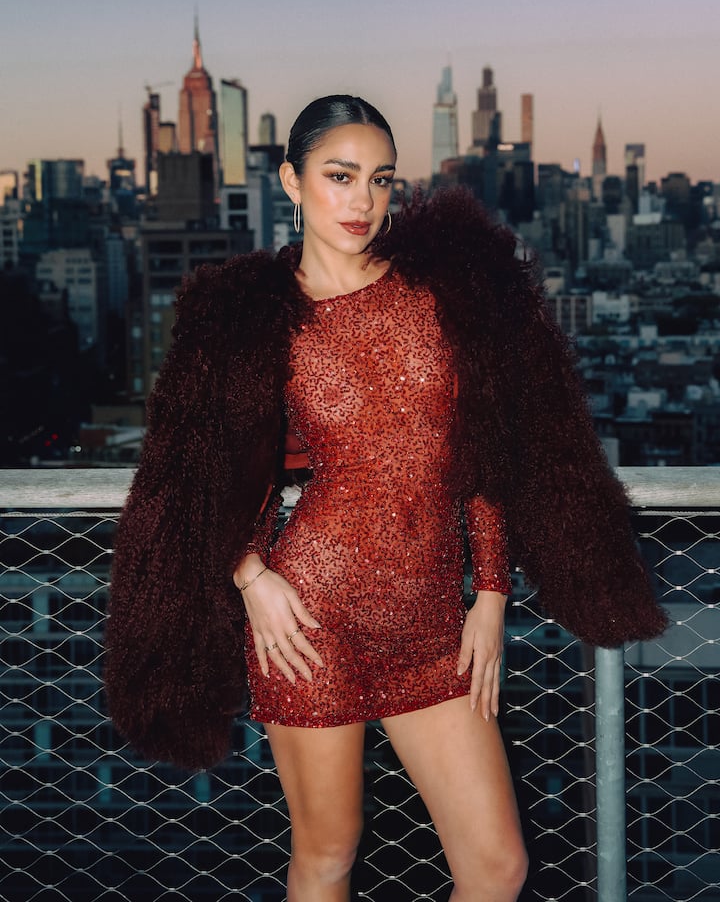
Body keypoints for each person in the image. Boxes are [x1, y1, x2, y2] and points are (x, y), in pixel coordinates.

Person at [105, 95, 667, 902]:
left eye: (380, 179)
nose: (362, 200)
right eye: (340, 176)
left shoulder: (440, 293)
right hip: (311, 622)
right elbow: (196, 475)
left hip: (434, 625)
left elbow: (482, 451)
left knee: (497, 867)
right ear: (291, 181)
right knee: (327, 855)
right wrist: (250, 576)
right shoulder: (256, 319)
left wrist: (491, 595)